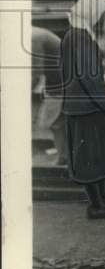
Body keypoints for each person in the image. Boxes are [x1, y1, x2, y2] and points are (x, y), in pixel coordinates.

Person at [60, 0, 105, 219]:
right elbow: (89, 78)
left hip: (82, 103)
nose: (101, 20)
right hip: (85, 106)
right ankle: (96, 205)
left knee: (97, 154)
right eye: (100, 15)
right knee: (90, 157)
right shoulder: (80, 37)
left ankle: (103, 198)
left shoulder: (76, 33)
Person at [31, 25, 66, 164]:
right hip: (58, 80)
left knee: (56, 121)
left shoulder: (33, 38)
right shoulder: (34, 34)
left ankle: (64, 158)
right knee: (57, 122)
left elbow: (36, 73)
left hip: (64, 79)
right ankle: (64, 157)